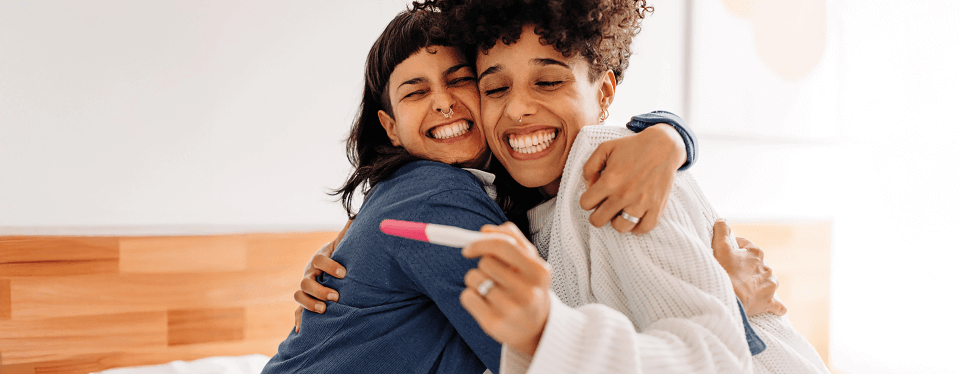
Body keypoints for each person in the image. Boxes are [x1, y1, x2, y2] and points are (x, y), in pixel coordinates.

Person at [262, 9, 743, 374]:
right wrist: (736, 304)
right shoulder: (434, 194)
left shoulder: (529, 186)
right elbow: (526, 351)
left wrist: (669, 135)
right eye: (415, 92)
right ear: (389, 126)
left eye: (460, 80)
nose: (445, 103)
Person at [407, 0, 831, 373]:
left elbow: (715, 359)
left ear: (605, 91)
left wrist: (546, 333)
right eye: (496, 88)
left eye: (549, 82)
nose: (517, 107)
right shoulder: (511, 207)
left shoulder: (616, 173)